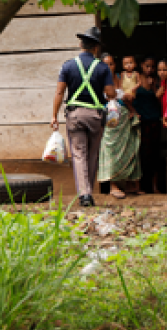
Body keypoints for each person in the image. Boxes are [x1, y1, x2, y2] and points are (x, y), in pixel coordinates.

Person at [51, 27, 116, 207]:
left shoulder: (68, 66)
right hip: (95, 116)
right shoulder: (103, 67)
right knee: (92, 155)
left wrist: (54, 116)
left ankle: (85, 194)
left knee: (79, 154)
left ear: (81, 45)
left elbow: (59, 92)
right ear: (96, 48)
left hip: (75, 115)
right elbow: (110, 93)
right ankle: (89, 191)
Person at [98, 56, 143, 199]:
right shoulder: (99, 80)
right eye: (106, 64)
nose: (109, 67)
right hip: (111, 118)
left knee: (130, 147)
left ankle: (130, 183)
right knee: (111, 149)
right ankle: (113, 184)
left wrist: (132, 109)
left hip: (125, 115)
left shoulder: (121, 77)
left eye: (111, 64)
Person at [128, 56, 163, 193]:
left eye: (152, 67)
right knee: (141, 153)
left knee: (154, 154)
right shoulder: (136, 78)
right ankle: (139, 186)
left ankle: (155, 187)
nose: (150, 69)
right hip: (140, 121)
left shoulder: (157, 80)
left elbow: (158, 98)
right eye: (147, 66)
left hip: (154, 121)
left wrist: (154, 86)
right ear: (141, 65)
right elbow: (129, 96)